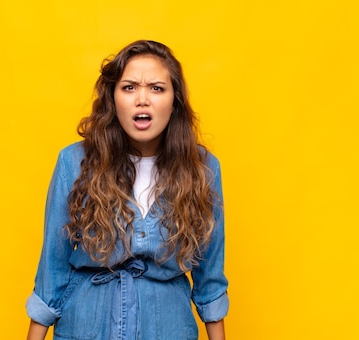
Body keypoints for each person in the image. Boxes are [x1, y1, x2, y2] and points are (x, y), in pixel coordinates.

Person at [25, 40, 228, 340]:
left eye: (157, 88)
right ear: (113, 98)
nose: (142, 99)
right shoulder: (74, 162)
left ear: (175, 102)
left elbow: (210, 277)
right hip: (86, 326)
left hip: (168, 328)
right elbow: (52, 267)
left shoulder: (204, 169)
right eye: (129, 87)